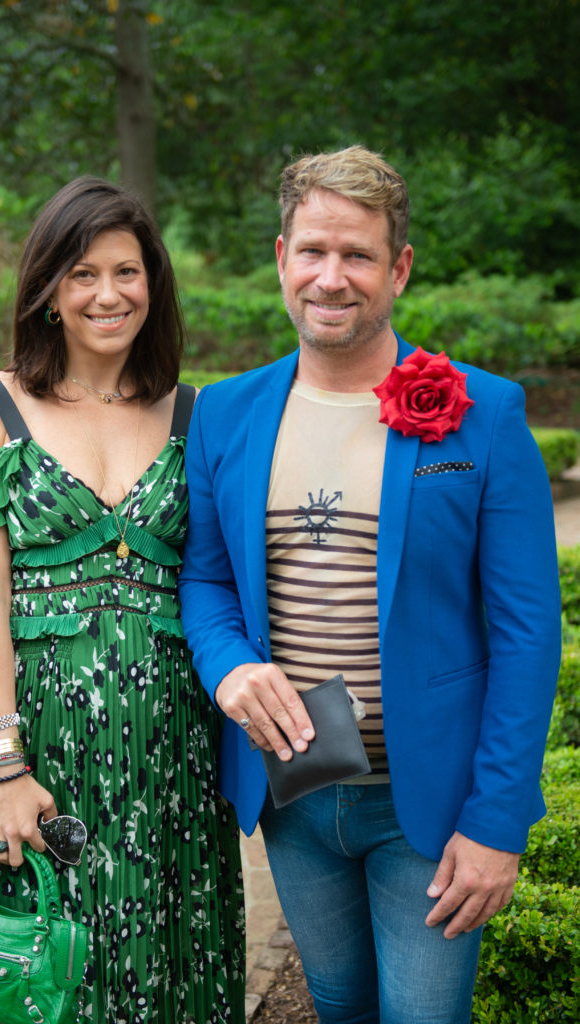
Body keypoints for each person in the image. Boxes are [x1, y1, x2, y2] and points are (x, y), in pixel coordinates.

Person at [178, 145, 560, 1023]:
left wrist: (497, 821)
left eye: (357, 255)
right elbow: (205, 579)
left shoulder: (483, 412)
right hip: (294, 795)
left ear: (400, 268)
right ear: (281, 258)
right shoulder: (226, 412)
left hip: (426, 808)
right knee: (341, 1004)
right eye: (312, 250)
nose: (331, 277)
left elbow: (529, 630)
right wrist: (228, 665)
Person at [0, 176, 245, 1024]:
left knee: (171, 964)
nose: (108, 294)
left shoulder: (193, 415)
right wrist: (5, 763)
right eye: (82, 274)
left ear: (154, 285)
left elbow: (221, 582)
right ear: (48, 293)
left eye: (127, 272)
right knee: (39, 971)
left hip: (173, 753)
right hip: (44, 754)